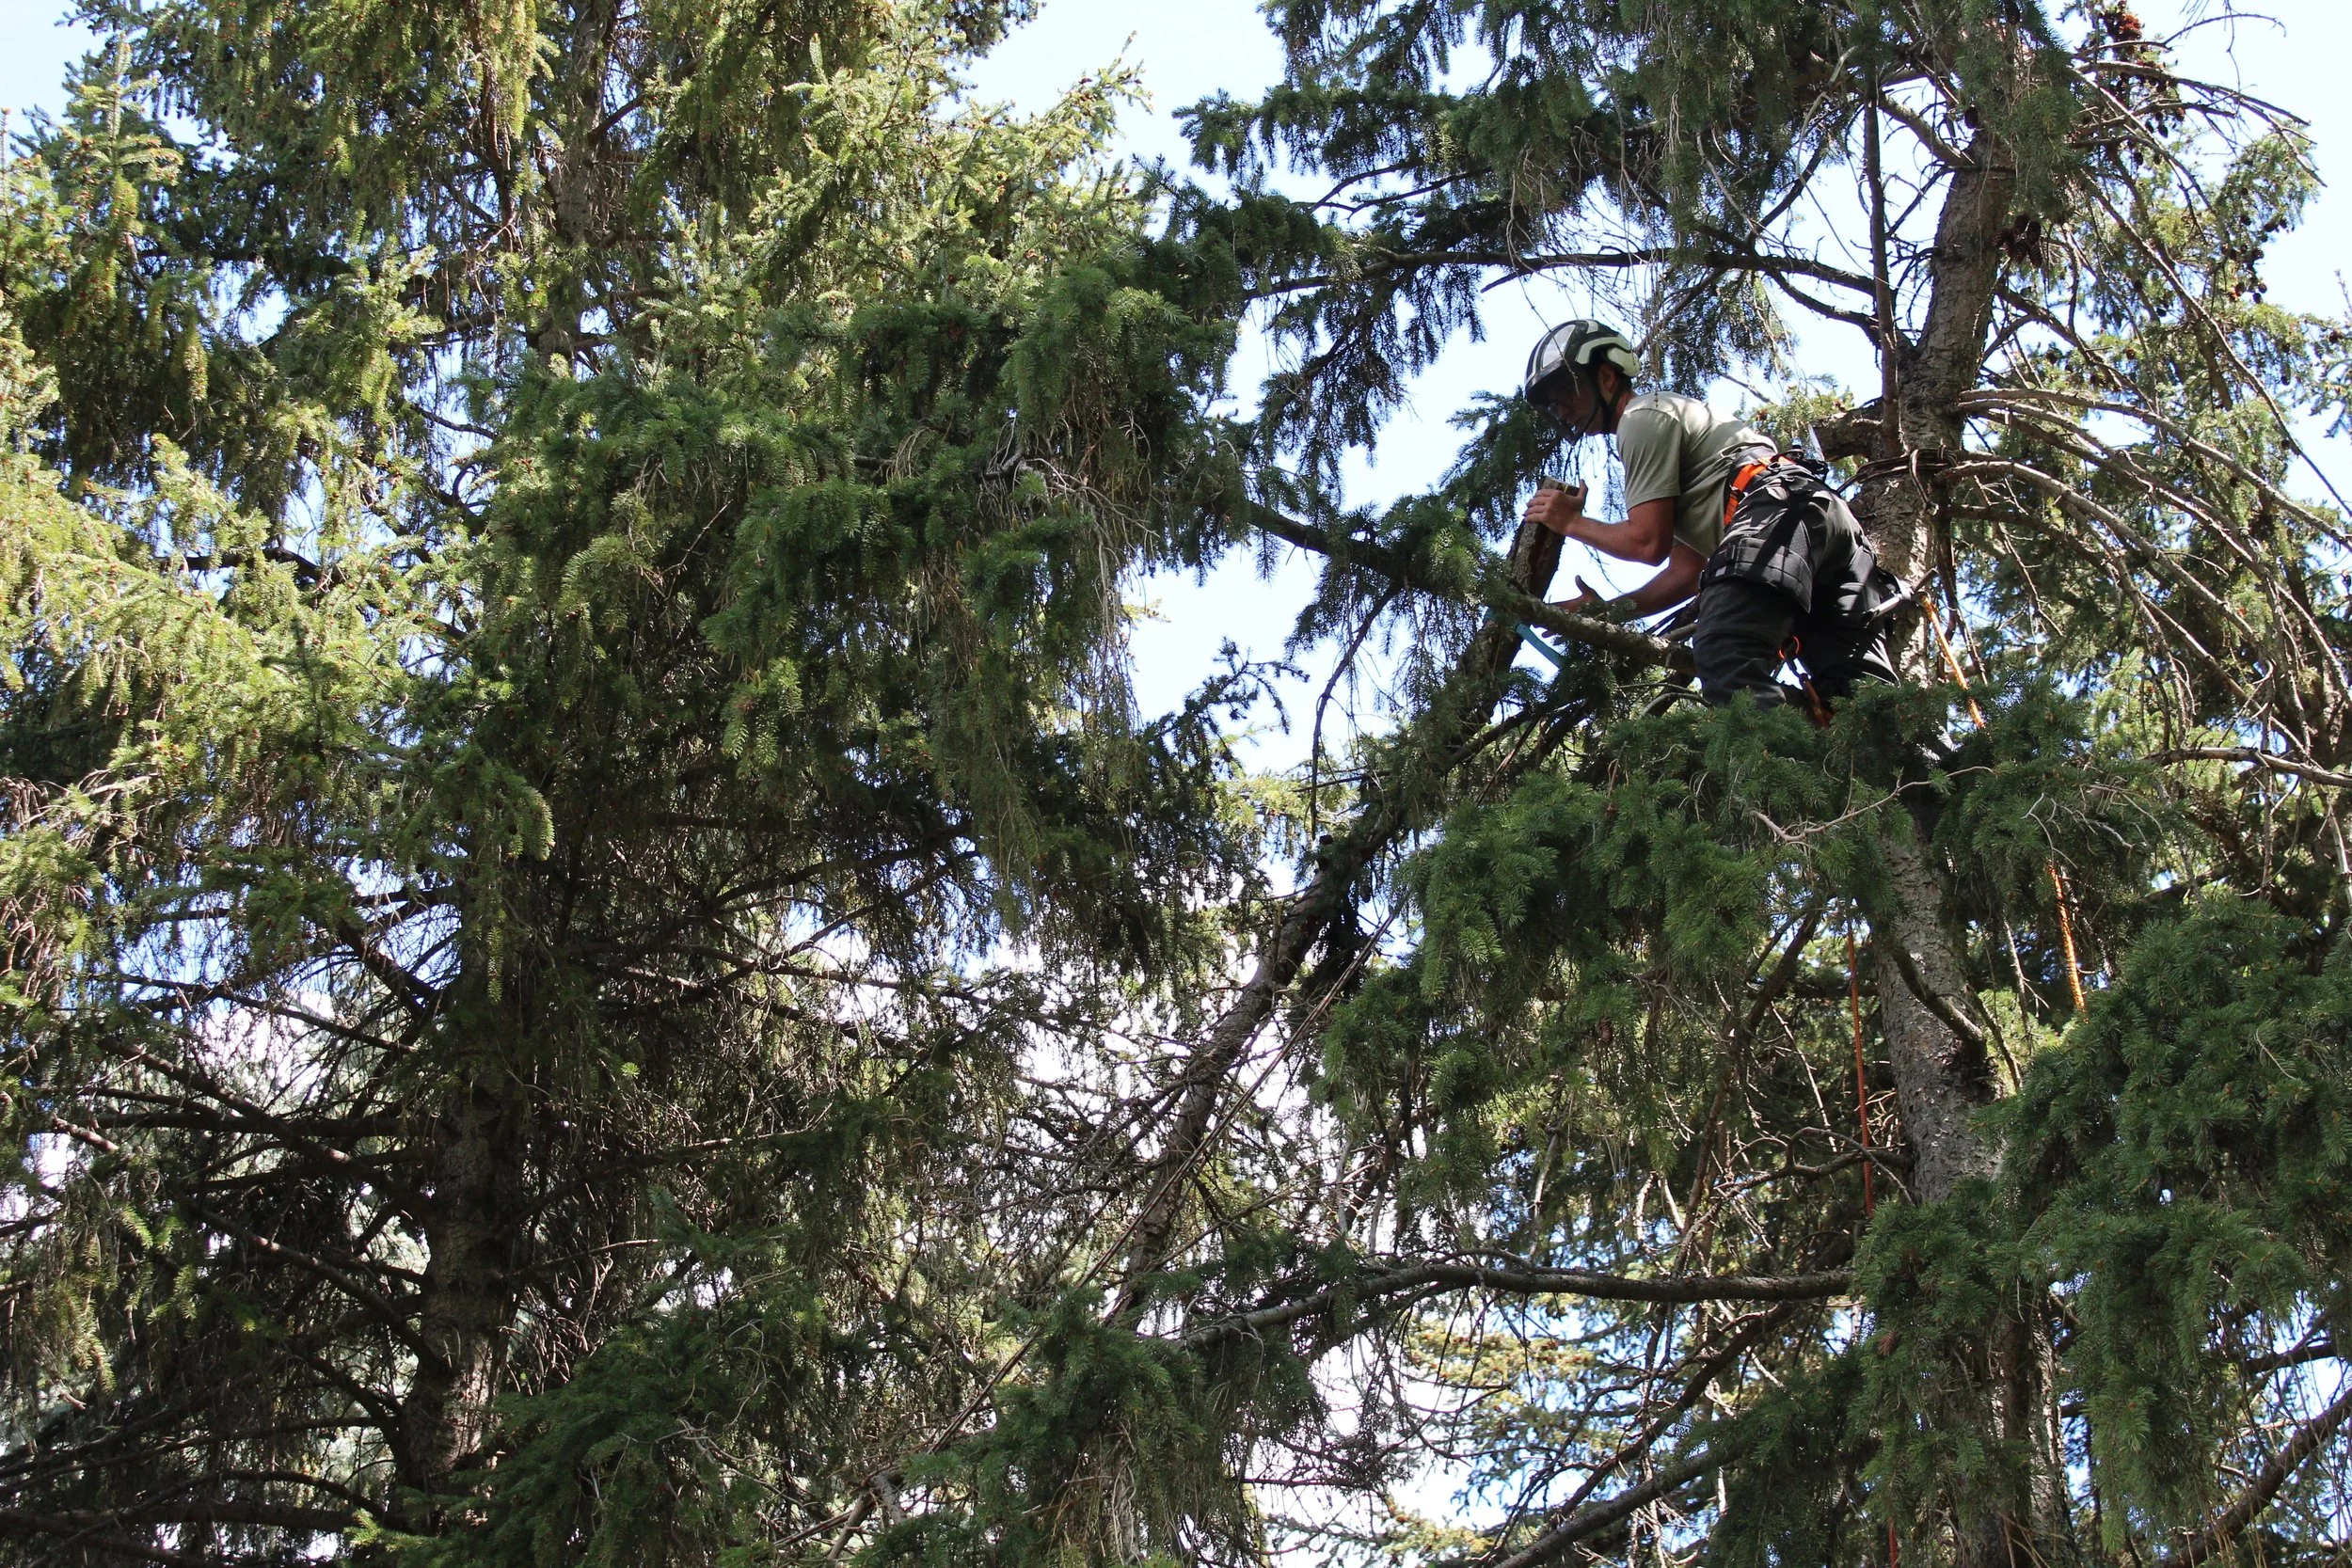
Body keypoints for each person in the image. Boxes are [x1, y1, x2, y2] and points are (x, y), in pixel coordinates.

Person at [1517, 320, 1906, 710]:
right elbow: (1687, 572)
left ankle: (1777, 754)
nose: (1561, 408)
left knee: (1725, 660)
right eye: (1552, 402)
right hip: (1815, 519)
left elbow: (1648, 543)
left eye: (1566, 391)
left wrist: (1570, 523)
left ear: (1605, 375)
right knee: (1860, 708)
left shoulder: (1640, 419)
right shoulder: (1669, 430)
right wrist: (1611, 610)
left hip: (1778, 509)